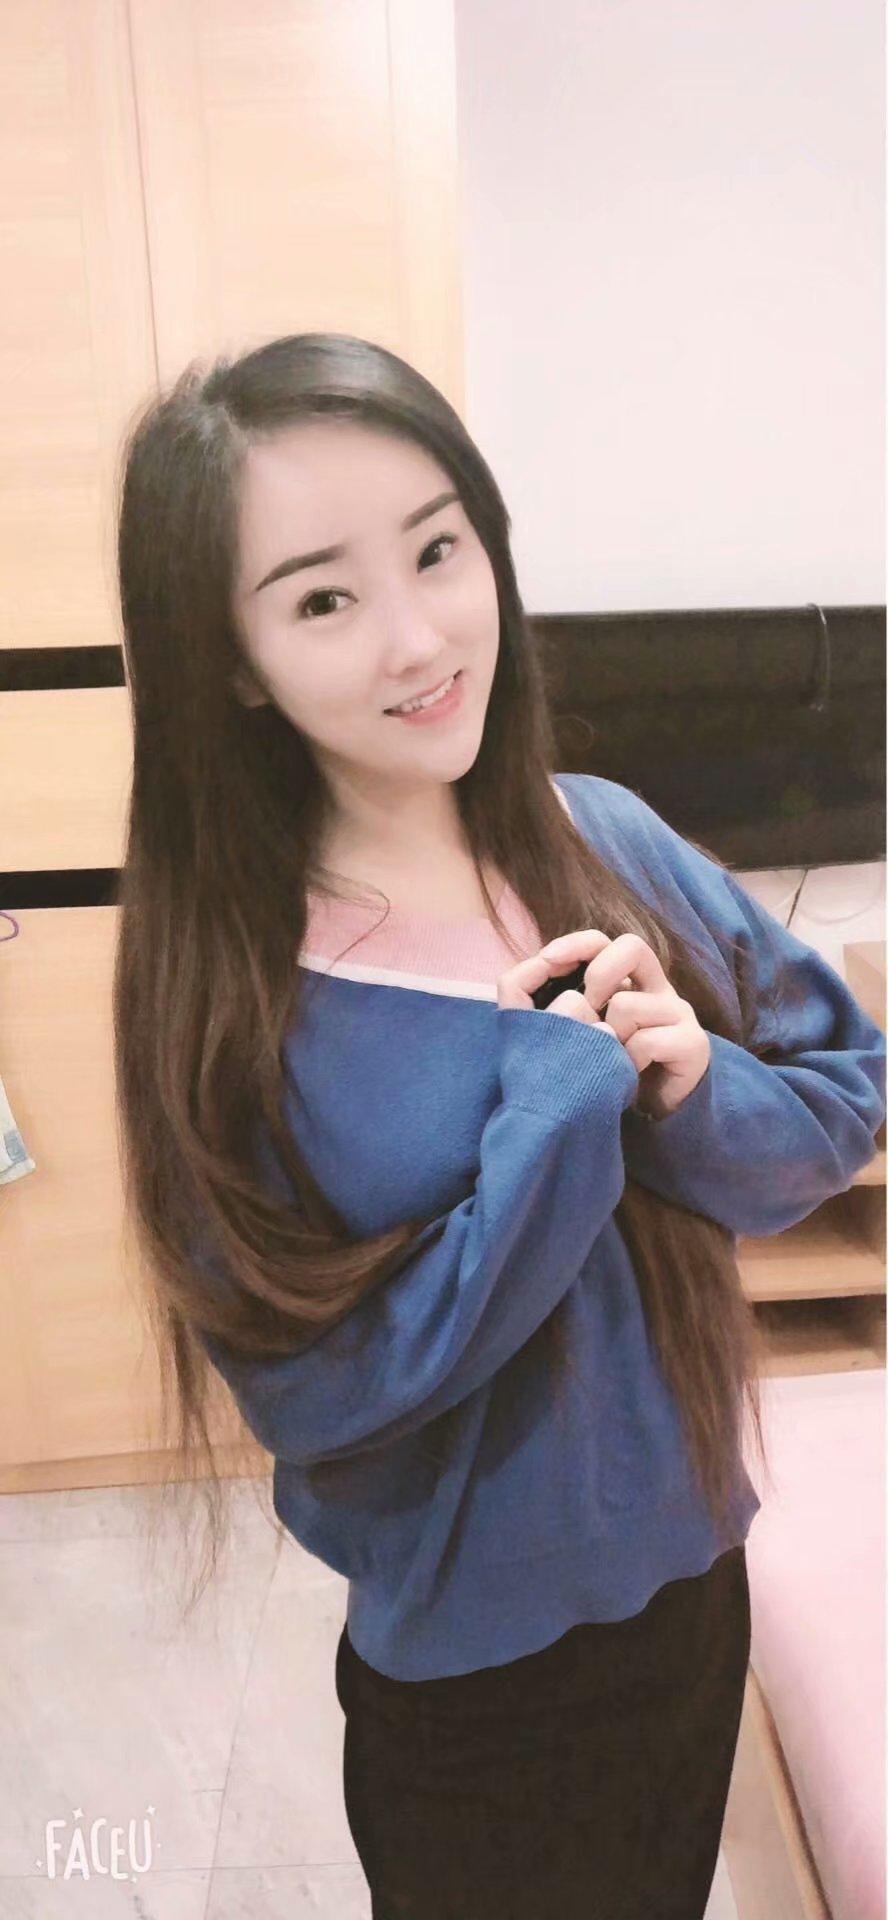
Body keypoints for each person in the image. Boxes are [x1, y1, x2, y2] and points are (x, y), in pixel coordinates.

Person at [112, 332, 886, 1919]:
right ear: (233, 661)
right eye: (322, 600)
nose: (418, 639)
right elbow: (319, 1390)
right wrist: (558, 1114)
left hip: (695, 1594)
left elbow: (843, 1096)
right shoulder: (235, 992)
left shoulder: (606, 840)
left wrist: (693, 1085)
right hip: (474, 1695)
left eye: (438, 550)